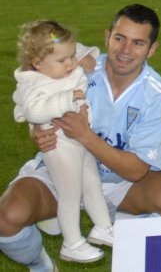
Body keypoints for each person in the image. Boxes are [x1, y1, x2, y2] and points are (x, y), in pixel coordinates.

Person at [0, 5, 161, 272]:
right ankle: (39, 264)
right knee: (6, 218)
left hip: (118, 182)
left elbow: (136, 170)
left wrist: (85, 135)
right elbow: (32, 94)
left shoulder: (159, 96)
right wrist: (37, 130)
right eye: (119, 38)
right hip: (60, 169)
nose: (125, 50)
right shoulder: (76, 66)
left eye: (138, 43)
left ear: (152, 49)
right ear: (107, 36)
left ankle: (116, 223)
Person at [11, 21, 111, 263]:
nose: (70, 63)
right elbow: (34, 111)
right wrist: (66, 100)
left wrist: (84, 55)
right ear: (37, 63)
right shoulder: (34, 83)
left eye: (72, 56)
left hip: (80, 140)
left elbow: (68, 47)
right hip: (58, 145)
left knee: (92, 184)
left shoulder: (61, 68)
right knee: (70, 193)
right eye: (62, 60)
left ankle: (103, 227)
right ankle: (72, 243)